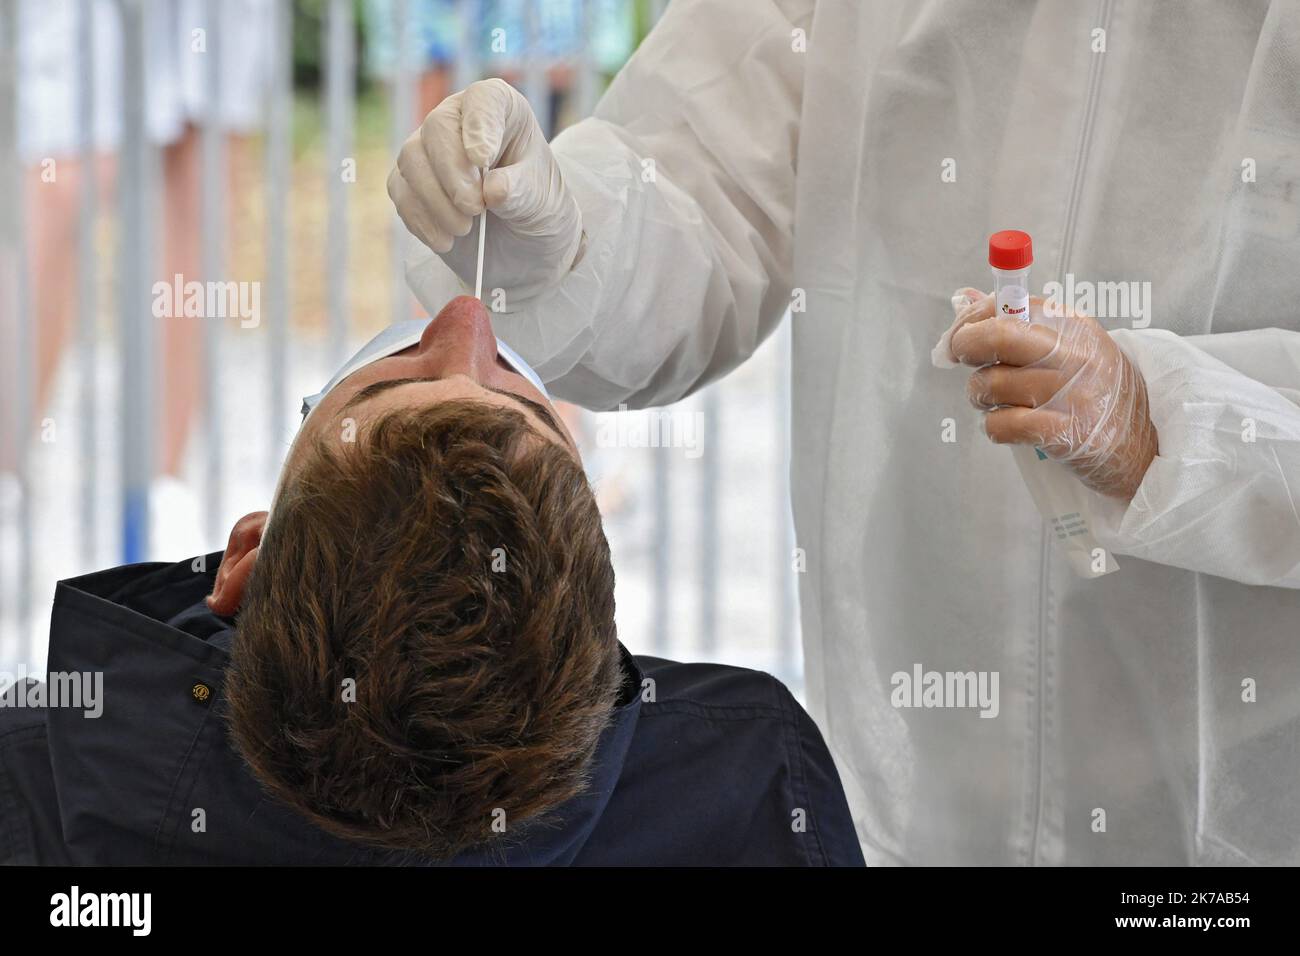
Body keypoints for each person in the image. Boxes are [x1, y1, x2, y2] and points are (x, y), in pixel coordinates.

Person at [388, 2, 1300, 865]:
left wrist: (1185, 429)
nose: (458, 348)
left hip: (1243, 792)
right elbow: (708, 174)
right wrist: (564, 245)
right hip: (930, 736)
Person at [0, 295, 863, 867]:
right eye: (526, 401)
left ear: (244, 562)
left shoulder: (30, 786)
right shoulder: (752, 779)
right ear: (580, 622)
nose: (469, 320)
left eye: (398, 376)